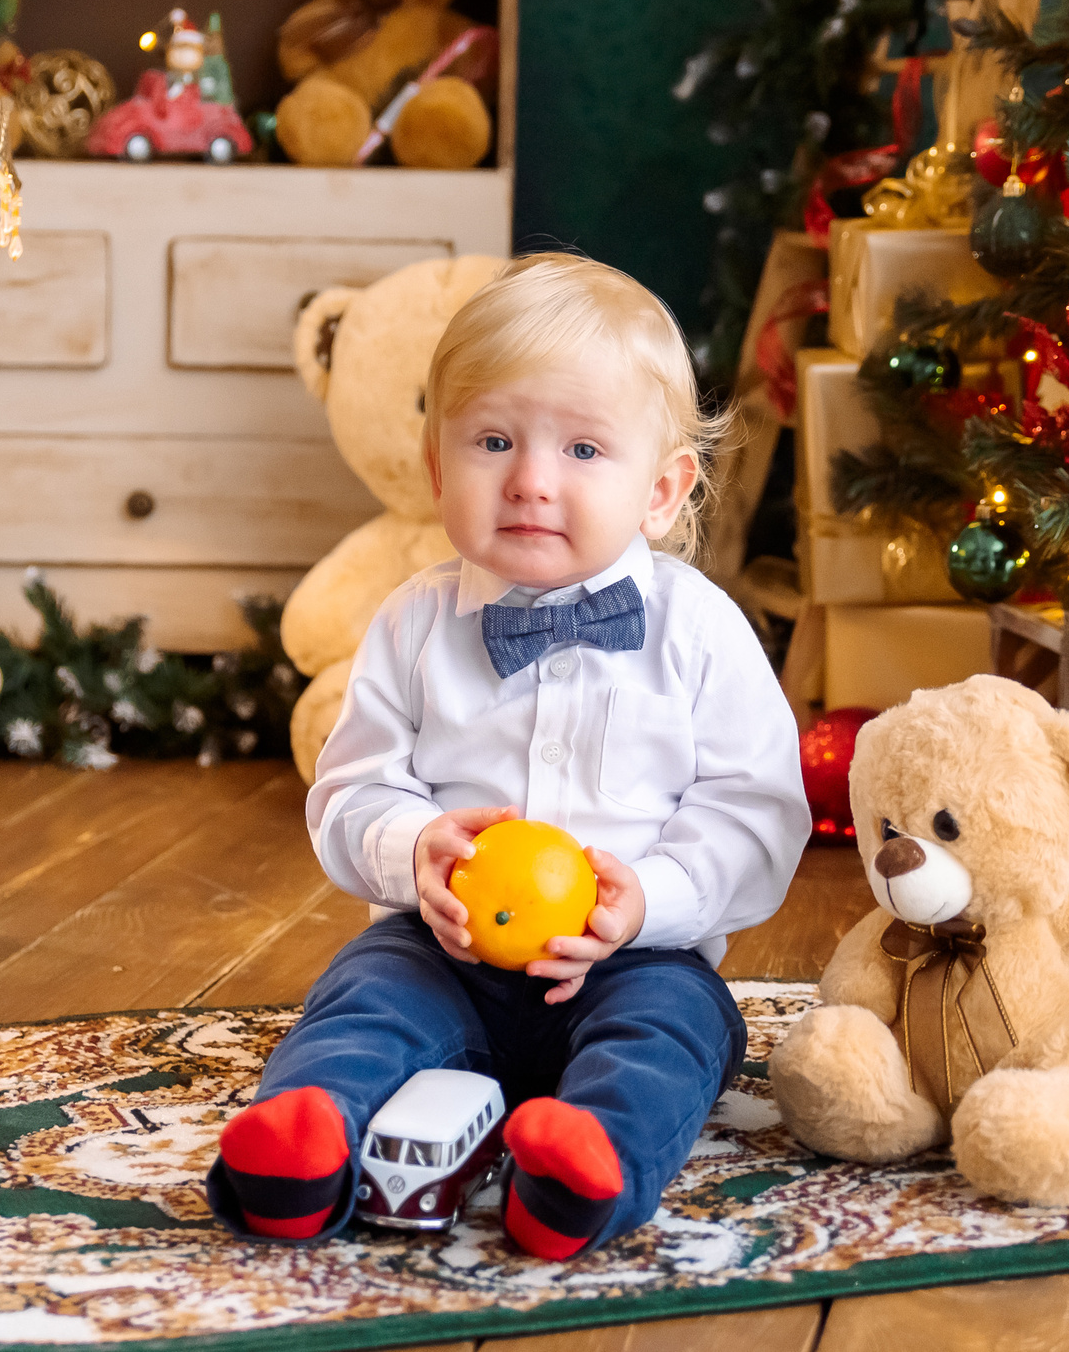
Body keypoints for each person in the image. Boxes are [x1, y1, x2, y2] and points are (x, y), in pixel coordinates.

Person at [206, 253, 806, 1258]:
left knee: (674, 1035)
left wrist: (646, 899)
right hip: (440, 946)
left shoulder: (698, 631)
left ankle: (582, 1168)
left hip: (634, 957)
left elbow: (755, 812)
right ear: (440, 471)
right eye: (493, 440)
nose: (530, 478)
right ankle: (300, 1142)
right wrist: (411, 845)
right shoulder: (410, 623)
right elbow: (351, 785)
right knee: (360, 1000)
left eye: (581, 447)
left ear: (662, 490)